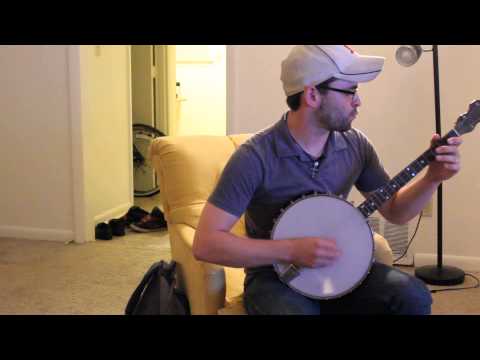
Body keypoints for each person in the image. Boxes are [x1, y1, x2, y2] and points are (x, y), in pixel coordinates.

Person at [192, 45, 463, 315]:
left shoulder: (356, 146)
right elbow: (206, 243)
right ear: (312, 95)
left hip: (340, 269)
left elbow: (395, 211)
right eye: (350, 92)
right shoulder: (254, 157)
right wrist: (290, 250)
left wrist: (432, 178)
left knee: (412, 296)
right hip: (275, 278)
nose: (358, 102)